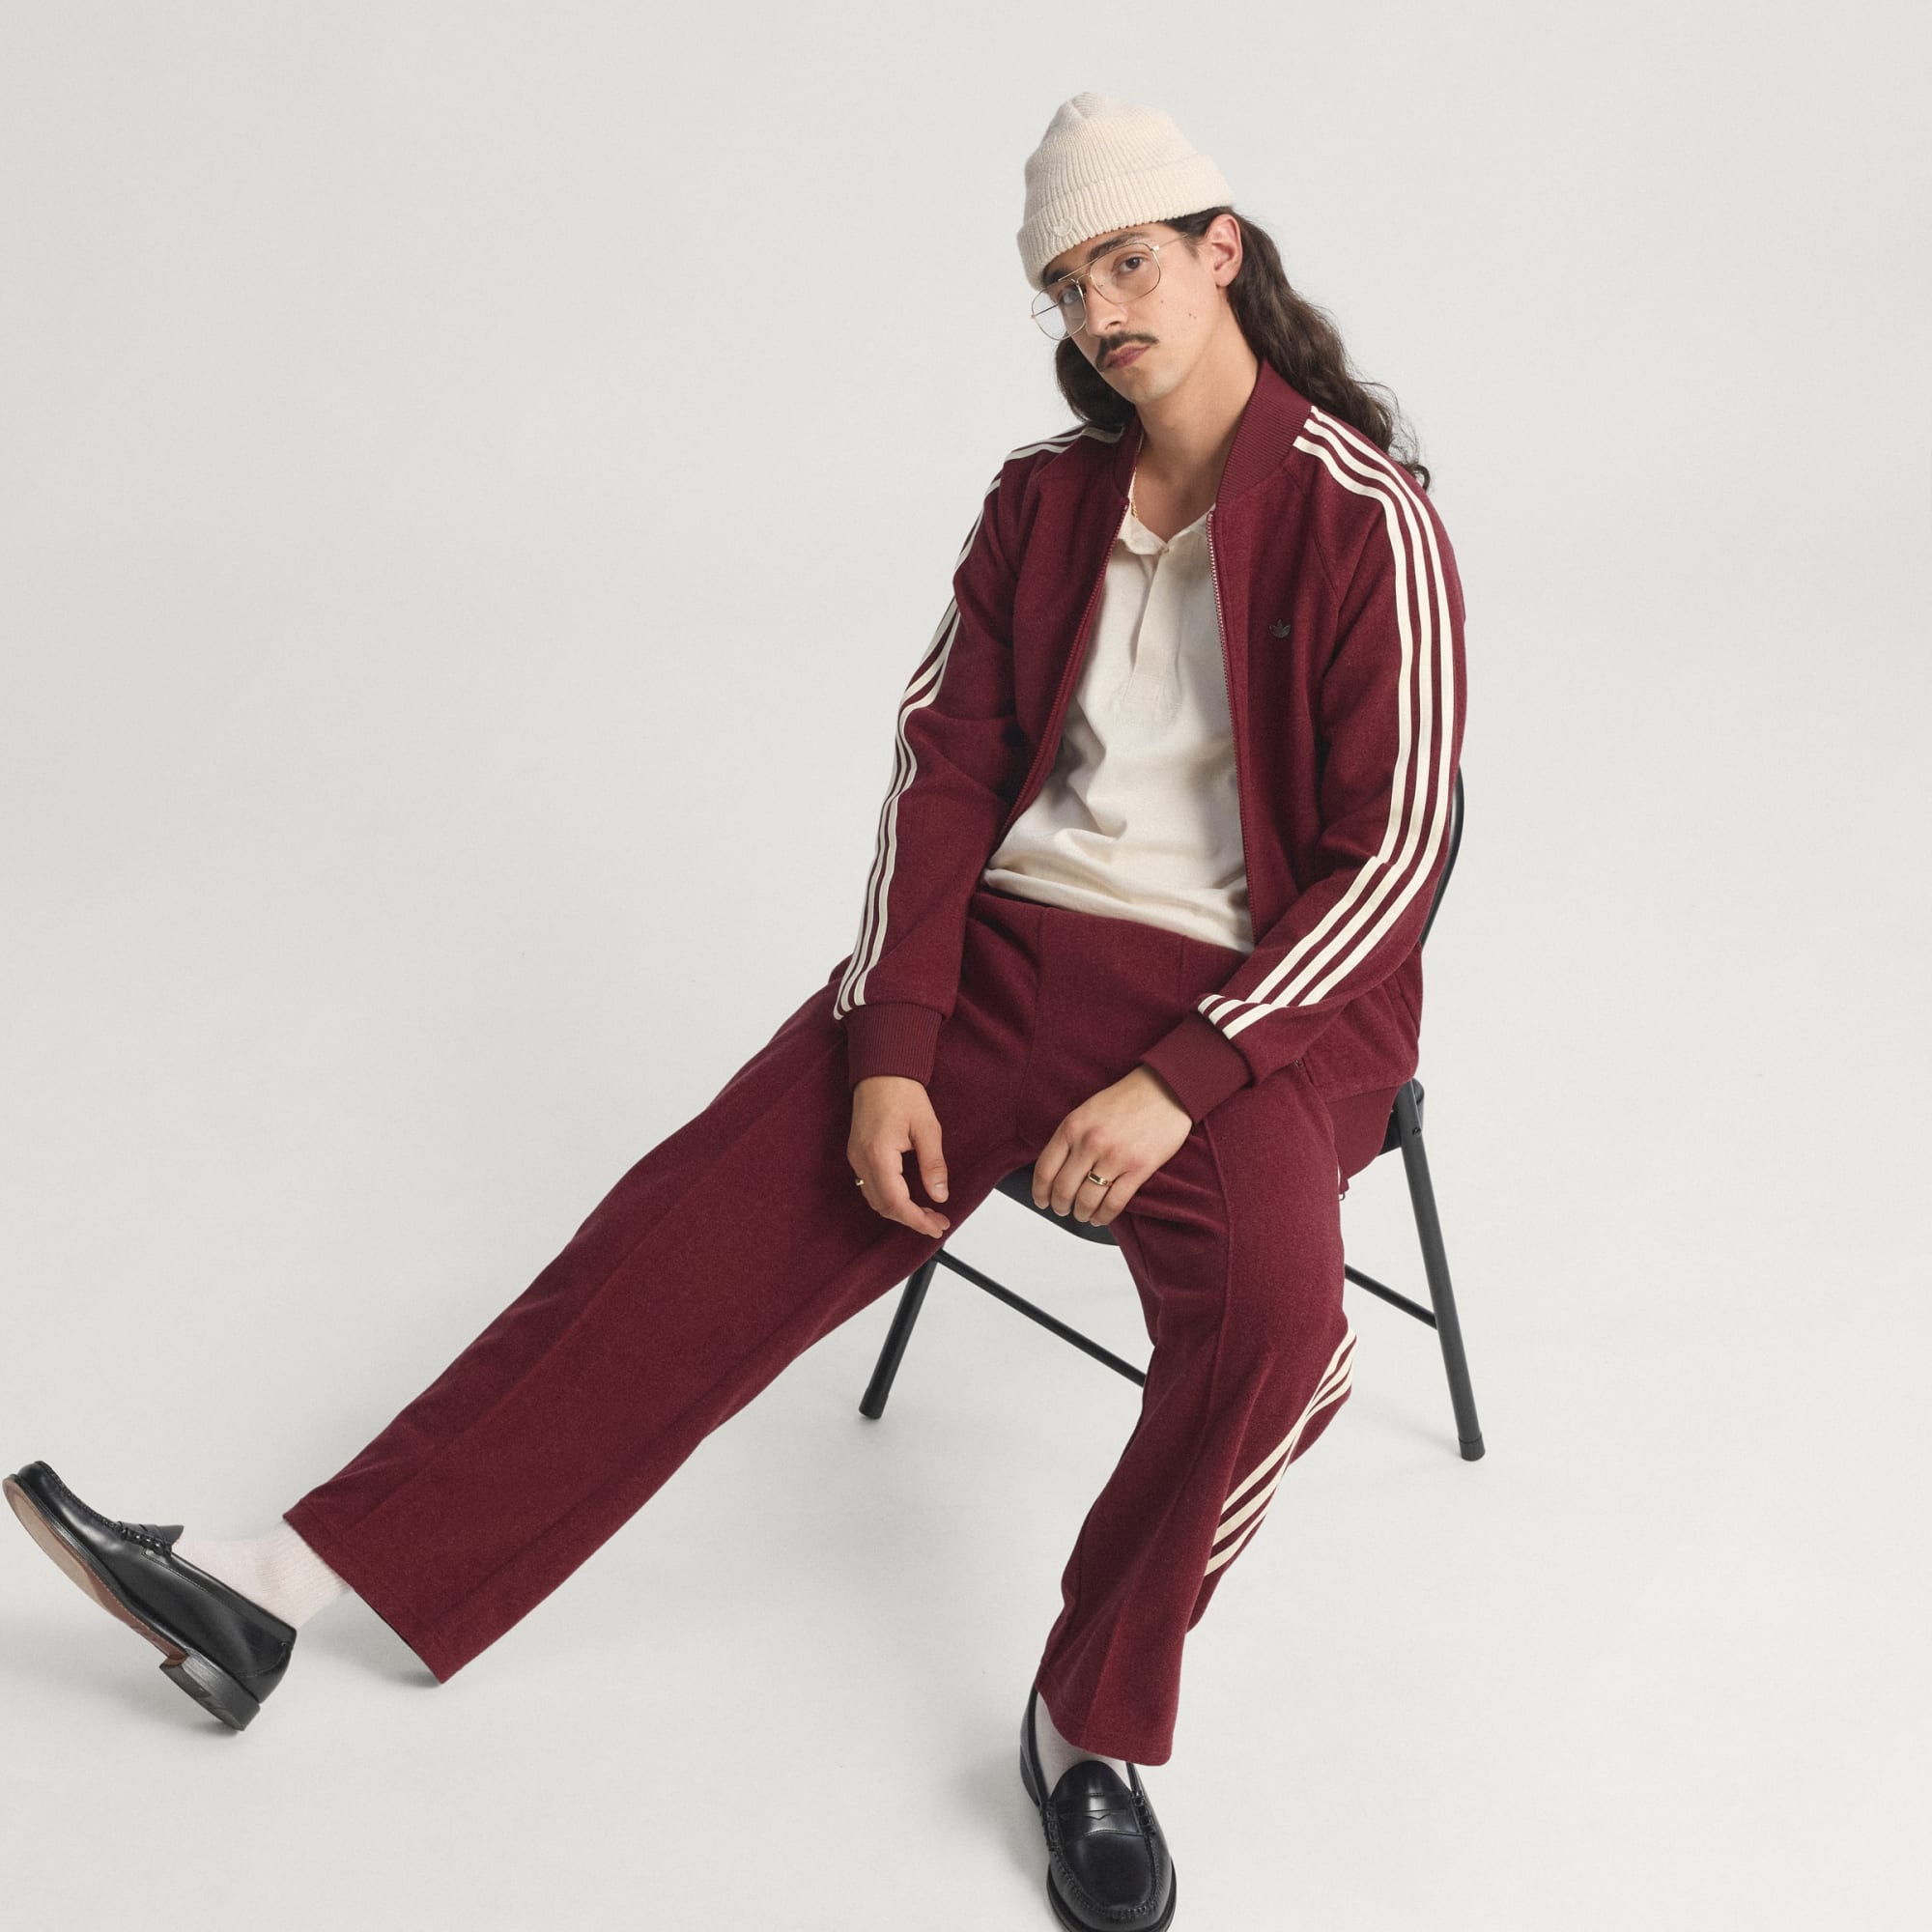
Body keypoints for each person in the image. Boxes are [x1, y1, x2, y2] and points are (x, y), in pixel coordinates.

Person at [5, 91, 1465, 1932]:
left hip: (1252, 1011)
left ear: (1220, 250)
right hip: (1007, 961)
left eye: (1129, 263)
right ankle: (269, 1586)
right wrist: (895, 1040)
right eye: (1066, 284)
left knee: (1280, 1326)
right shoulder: (1042, 504)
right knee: (670, 1246)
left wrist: (1185, 1077)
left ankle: (1091, 1731)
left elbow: (1395, 849)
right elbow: (945, 771)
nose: (1101, 311)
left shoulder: (1366, 516)